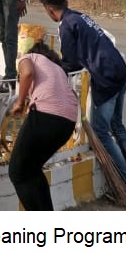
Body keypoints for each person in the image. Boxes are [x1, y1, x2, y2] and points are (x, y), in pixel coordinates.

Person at [41, 0, 126, 201]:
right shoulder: (79, 16)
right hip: (119, 71)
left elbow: (71, 63)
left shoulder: (66, 25)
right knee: (118, 127)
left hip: (105, 78)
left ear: (50, 10)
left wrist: (52, 66)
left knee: (101, 131)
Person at [6, 26, 79, 211]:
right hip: (68, 122)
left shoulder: (29, 57)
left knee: (17, 172)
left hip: (45, 115)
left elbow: (27, 73)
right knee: (33, 169)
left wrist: (20, 102)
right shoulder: (58, 69)